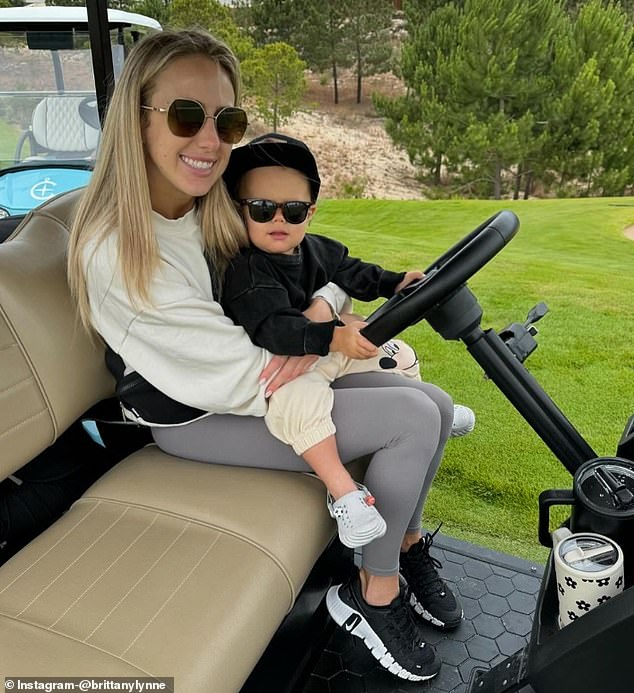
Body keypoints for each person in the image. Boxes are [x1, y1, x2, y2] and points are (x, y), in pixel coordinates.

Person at [66, 28, 462, 684]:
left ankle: (405, 545)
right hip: (194, 414)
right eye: (186, 115)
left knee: (436, 404)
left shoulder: (206, 207)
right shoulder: (119, 249)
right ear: (134, 121)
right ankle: (372, 594)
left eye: (227, 120)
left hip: (248, 385)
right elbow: (251, 375)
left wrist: (343, 306)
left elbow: (296, 276)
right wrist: (327, 337)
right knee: (411, 418)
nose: (209, 139)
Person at [221, 132, 474, 550]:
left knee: (388, 354)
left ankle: (432, 410)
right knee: (298, 402)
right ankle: (344, 494)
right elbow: (274, 329)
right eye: (263, 209)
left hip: (322, 350)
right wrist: (336, 335)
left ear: (311, 212)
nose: (280, 220)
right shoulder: (247, 272)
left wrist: (395, 283)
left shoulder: (317, 250)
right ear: (240, 211)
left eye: (295, 210)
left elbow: (354, 272)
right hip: (279, 371)